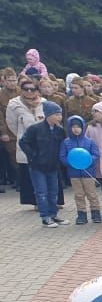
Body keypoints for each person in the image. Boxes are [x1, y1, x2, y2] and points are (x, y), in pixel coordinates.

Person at [19, 101, 67, 228]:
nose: (59, 117)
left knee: (53, 192)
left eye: (60, 114)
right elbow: (23, 142)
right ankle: (45, 217)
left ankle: (53, 215)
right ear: (48, 115)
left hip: (53, 166)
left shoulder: (60, 130)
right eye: (56, 114)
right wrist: (33, 156)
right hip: (37, 167)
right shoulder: (35, 129)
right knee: (41, 192)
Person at [7, 77, 46, 208]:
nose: (29, 92)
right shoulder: (14, 104)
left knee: (46, 171)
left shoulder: (44, 102)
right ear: (21, 90)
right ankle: (34, 201)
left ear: (37, 90)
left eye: (32, 89)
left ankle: (50, 199)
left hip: (43, 143)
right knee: (29, 172)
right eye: (26, 89)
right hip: (25, 142)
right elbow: (11, 123)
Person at [59, 115, 101, 224]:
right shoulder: (66, 142)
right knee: (78, 195)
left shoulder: (90, 142)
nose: (76, 129)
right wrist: (71, 163)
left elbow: (96, 154)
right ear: (69, 128)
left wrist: (88, 161)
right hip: (74, 174)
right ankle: (81, 214)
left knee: (92, 194)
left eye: (78, 126)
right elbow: (62, 156)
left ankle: (95, 213)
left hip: (88, 173)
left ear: (83, 127)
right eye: (73, 127)